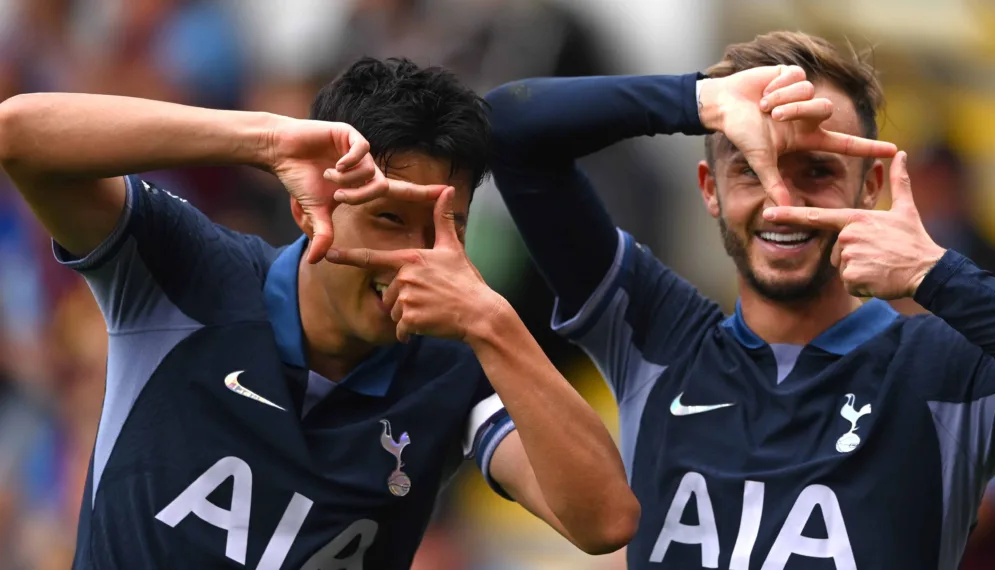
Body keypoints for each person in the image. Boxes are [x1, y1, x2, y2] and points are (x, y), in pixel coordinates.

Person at [478, 31, 995, 568]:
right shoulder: (656, 330)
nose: (782, 201)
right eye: (750, 167)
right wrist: (695, 100)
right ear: (710, 189)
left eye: (816, 171)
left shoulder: (940, 371)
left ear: (872, 185)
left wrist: (937, 274)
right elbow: (508, 125)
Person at [0, 56, 638, 569]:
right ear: (312, 208)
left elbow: (605, 521)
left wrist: (493, 322)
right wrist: (264, 140)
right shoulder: (187, 270)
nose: (416, 258)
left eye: (447, 228)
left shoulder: (456, 367)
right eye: (390, 219)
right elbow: (19, 135)